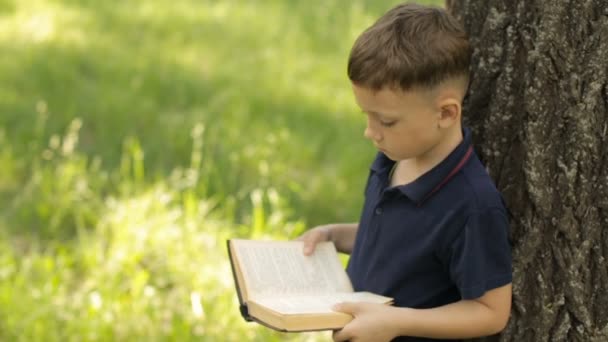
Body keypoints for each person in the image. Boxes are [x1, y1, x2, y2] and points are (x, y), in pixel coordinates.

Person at [297, 3, 512, 342]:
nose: (371, 132)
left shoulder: (471, 204)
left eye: (386, 121)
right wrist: (334, 235)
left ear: (445, 113)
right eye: (365, 115)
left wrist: (396, 322)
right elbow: (398, 238)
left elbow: (491, 312)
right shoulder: (394, 157)